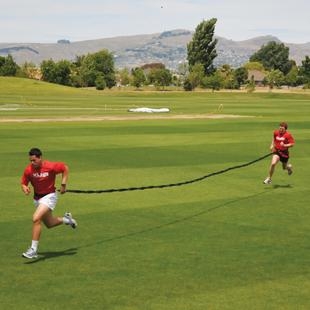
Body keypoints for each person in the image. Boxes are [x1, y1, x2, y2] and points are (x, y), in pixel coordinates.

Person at [21, 148, 77, 259]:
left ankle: (33, 249)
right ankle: (67, 220)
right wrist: (25, 188)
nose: (32, 163)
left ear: (40, 157)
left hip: (49, 196)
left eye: (34, 160)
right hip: (38, 199)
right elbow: (23, 182)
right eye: (30, 161)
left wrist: (63, 185)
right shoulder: (29, 170)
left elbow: (65, 168)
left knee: (36, 218)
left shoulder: (50, 166)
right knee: (50, 224)